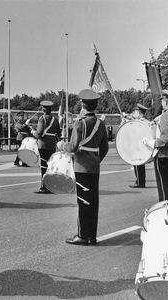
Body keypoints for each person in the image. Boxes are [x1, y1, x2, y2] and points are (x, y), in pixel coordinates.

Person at [57, 89, 108, 246]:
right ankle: (92, 236)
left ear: (82, 104)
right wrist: (95, 160)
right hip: (94, 167)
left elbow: (72, 147)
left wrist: (61, 145)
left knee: (83, 202)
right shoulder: (100, 123)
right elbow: (104, 148)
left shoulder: (80, 123)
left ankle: (83, 236)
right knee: (93, 202)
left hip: (81, 167)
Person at [143, 90, 168, 202]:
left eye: (162, 100)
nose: (162, 103)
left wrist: (149, 142)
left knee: (163, 185)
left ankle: (164, 205)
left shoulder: (165, 116)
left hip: (163, 154)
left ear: (165, 101)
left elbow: (164, 139)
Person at [32, 100, 61, 194]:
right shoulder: (55, 119)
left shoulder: (42, 119)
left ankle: (44, 187)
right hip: (52, 145)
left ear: (43, 109)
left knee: (43, 167)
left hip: (43, 145)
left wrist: (33, 132)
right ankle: (51, 186)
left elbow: (39, 133)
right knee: (50, 166)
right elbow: (58, 134)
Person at [129, 103, 149, 188]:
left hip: (138, 145)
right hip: (141, 146)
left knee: (137, 163)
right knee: (139, 164)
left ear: (139, 112)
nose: (133, 113)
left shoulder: (140, 122)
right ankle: (140, 181)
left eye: (135, 111)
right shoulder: (145, 121)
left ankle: (140, 182)